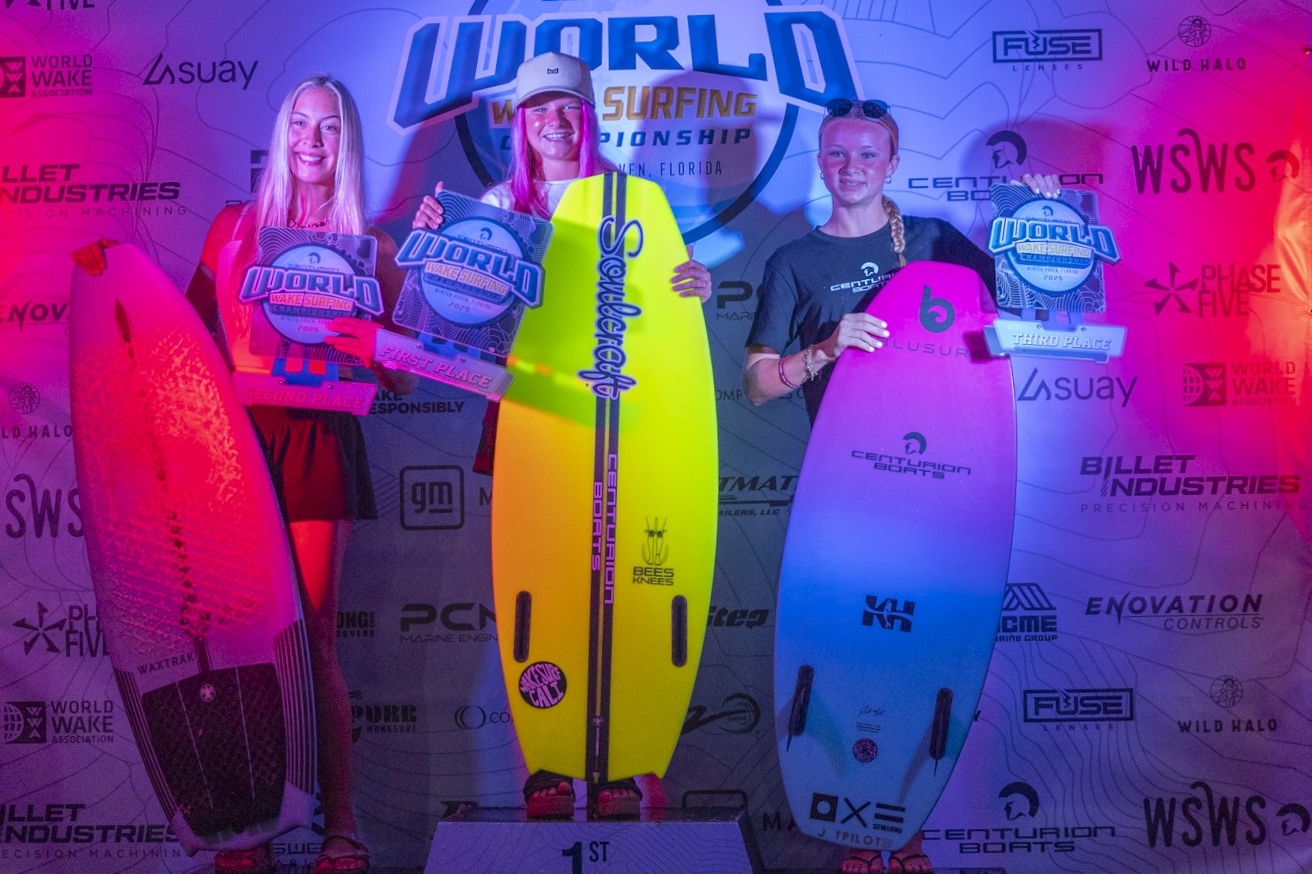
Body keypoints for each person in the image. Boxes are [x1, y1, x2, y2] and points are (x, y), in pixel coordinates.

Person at [742, 97, 1058, 874]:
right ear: (821, 160)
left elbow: (1019, 307)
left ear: (892, 163)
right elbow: (755, 386)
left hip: (941, 495)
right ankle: (856, 830)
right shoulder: (793, 262)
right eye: (836, 153)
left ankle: (906, 830)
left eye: (867, 155)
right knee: (848, 658)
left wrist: (1046, 229)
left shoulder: (932, 241)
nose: (850, 166)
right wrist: (824, 347)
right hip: (846, 500)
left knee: (921, 660)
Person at [412, 50, 711, 820]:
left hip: (621, 431)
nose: (554, 120)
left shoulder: (629, 205)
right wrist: (439, 250)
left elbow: (660, 318)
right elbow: (460, 328)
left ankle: (615, 762)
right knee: (543, 586)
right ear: (520, 121)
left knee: (617, 589)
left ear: (589, 117)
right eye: (539, 108)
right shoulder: (496, 201)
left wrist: (691, 286)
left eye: (568, 107)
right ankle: (548, 760)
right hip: (533, 423)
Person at [184, 73, 414, 874]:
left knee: (312, 636)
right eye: (301, 125)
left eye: (330, 129)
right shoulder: (232, 228)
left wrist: (362, 341)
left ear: (348, 145)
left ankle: (341, 827)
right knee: (241, 639)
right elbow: (191, 343)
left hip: (320, 442)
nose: (312, 142)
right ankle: (244, 823)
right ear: (282, 136)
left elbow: (403, 377)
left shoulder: (370, 246)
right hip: (239, 443)